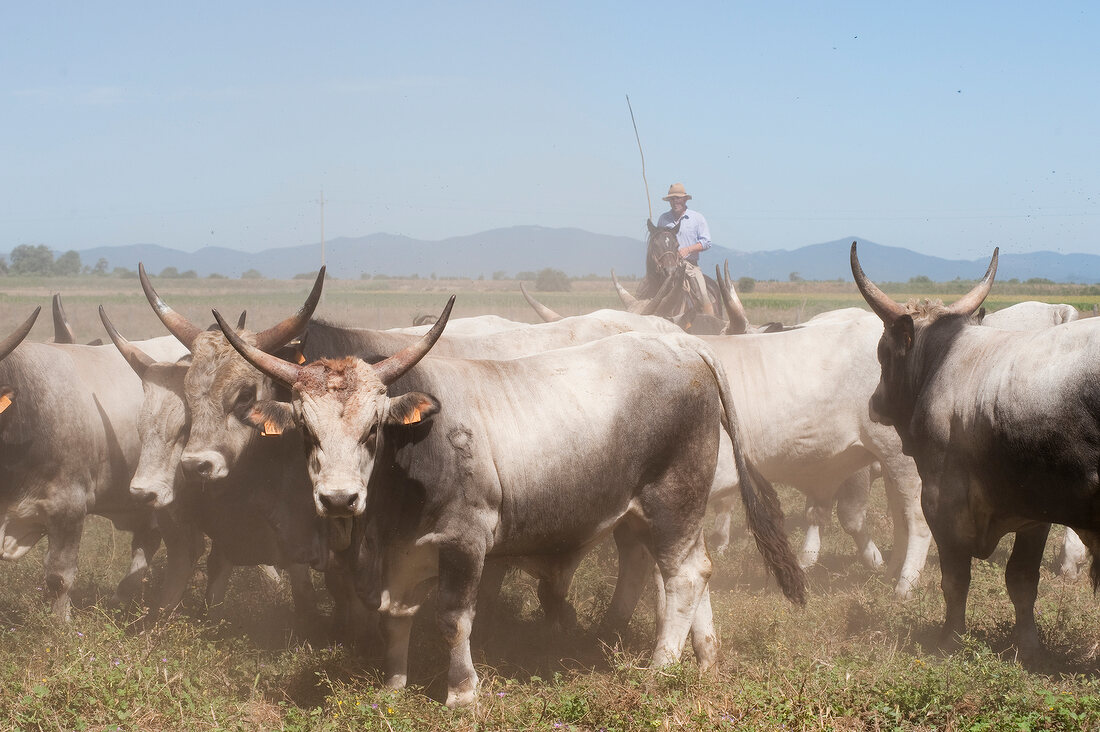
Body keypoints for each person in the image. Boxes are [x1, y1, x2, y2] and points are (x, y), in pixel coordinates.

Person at [656, 182, 713, 315]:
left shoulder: (697, 218)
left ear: (685, 199)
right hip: (666, 268)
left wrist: (688, 250)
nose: (675, 201)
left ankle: (711, 321)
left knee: (704, 295)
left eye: (678, 198)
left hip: (690, 267)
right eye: (672, 199)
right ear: (669, 201)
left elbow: (706, 242)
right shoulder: (663, 219)